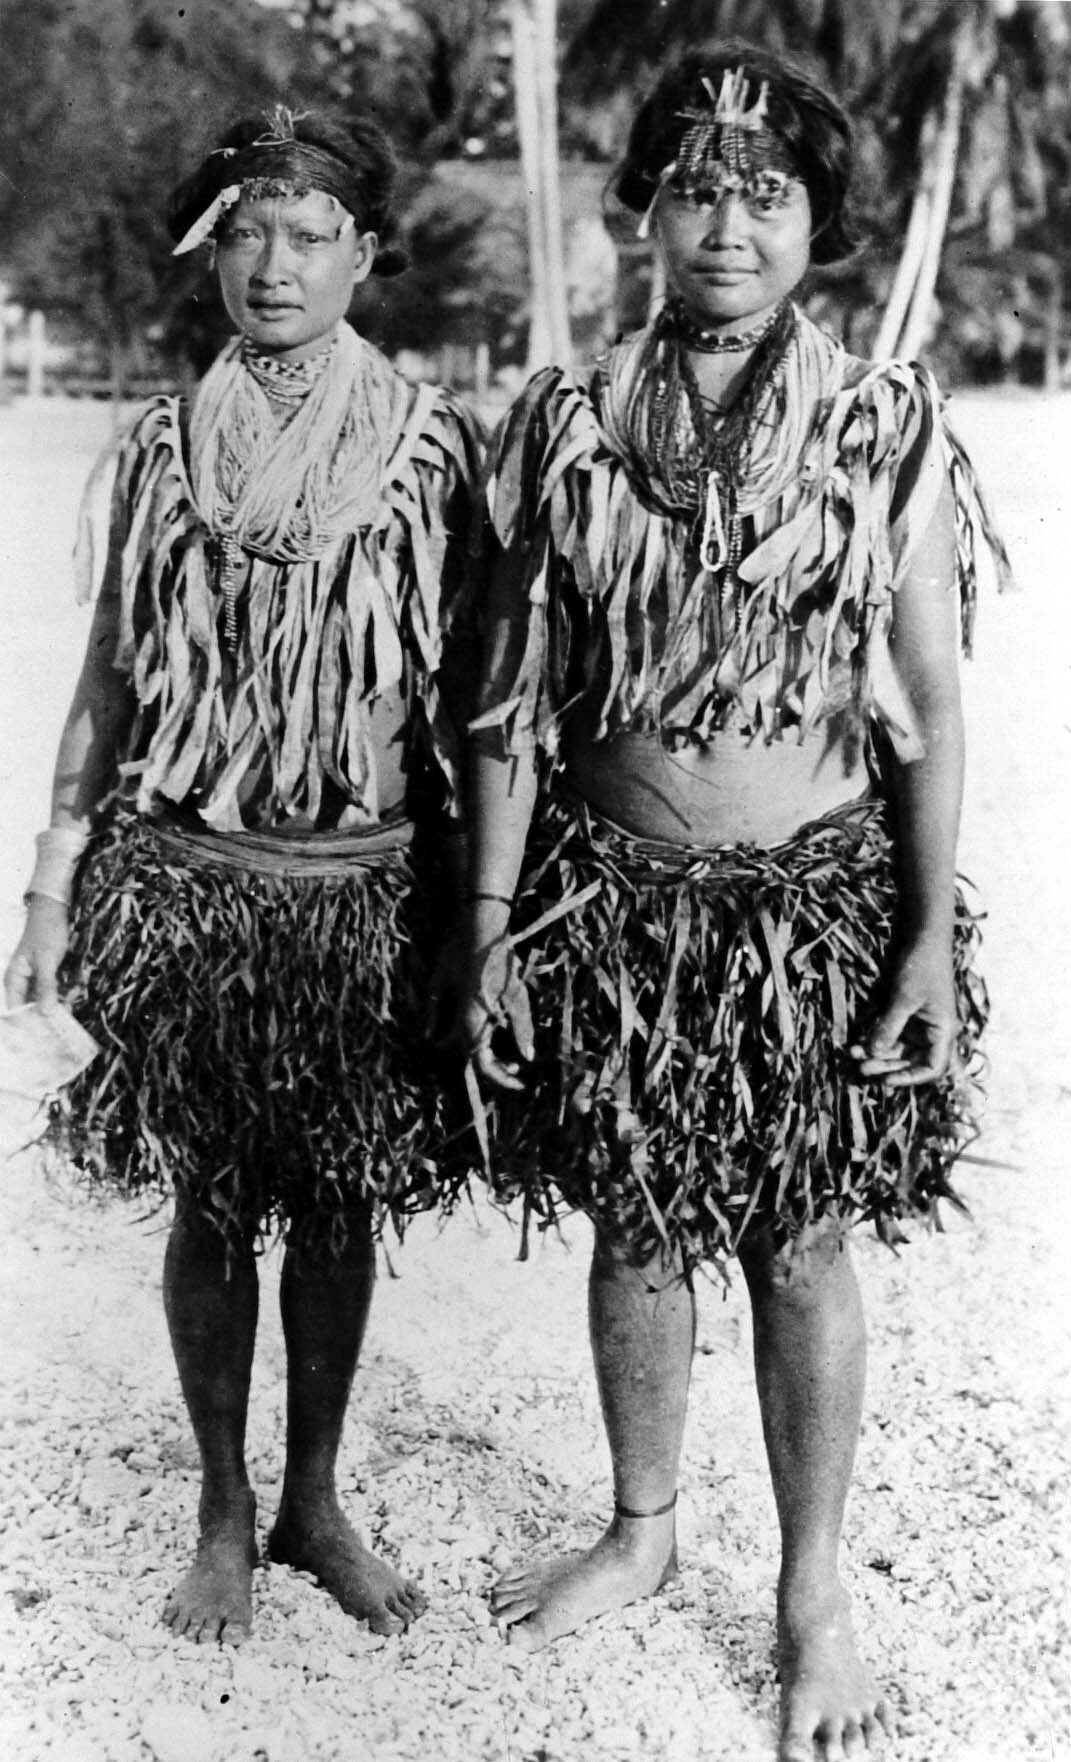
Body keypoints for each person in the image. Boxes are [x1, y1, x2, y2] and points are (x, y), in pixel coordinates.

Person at [459, 45, 1006, 1762]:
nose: (726, 226)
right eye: (694, 189)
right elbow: (510, 703)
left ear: (818, 225)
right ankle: (642, 1528)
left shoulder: (879, 425)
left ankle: (812, 1589)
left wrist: (923, 939)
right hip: (617, 907)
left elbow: (928, 703)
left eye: (766, 195)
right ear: (645, 214)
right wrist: (491, 926)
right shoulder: (568, 423)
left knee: (799, 1238)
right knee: (634, 1220)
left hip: (805, 911)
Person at [4, 106, 480, 1645]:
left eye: (309, 234)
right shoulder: (163, 449)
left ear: (365, 253)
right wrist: (51, 882)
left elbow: (478, 700)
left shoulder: (428, 451)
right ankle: (222, 1501)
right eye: (247, 234)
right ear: (213, 255)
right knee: (211, 1204)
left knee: (337, 1208)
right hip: (191, 881)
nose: (274, 265)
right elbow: (109, 676)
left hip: (361, 890)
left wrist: (483, 917)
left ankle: (314, 1498)